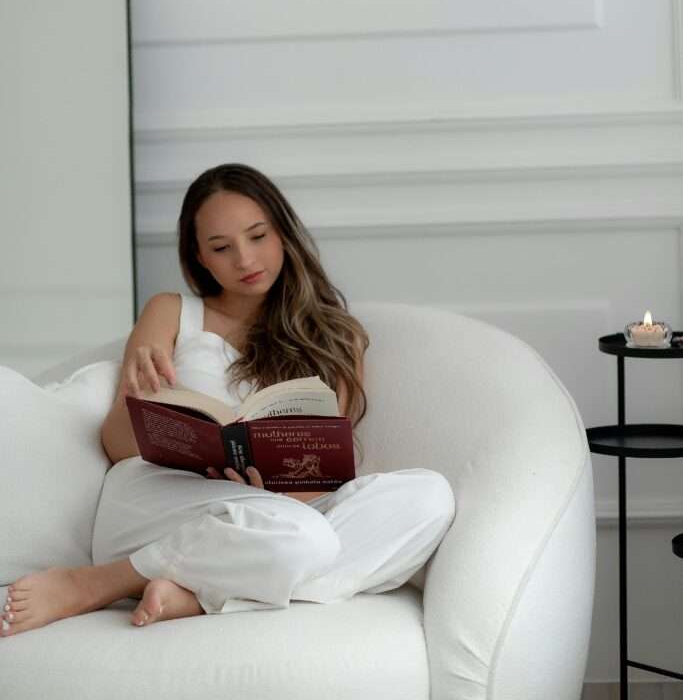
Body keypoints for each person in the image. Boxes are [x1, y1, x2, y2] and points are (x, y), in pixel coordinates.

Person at [1, 164, 455, 637]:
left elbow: (324, 474)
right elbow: (117, 444)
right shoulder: (172, 311)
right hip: (158, 497)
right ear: (199, 258)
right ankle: (101, 581)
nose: (244, 258)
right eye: (221, 248)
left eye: (258, 236)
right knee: (306, 539)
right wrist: (147, 395)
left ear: (283, 233)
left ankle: (201, 597)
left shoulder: (336, 337)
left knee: (428, 498)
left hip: (266, 513)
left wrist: (267, 487)